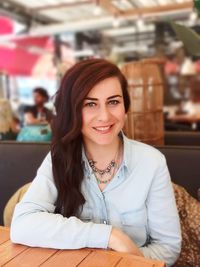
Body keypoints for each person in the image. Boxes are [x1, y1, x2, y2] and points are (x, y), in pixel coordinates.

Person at [10, 59, 181, 266]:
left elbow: (168, 248)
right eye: (90, 104)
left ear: (125, 106)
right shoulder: (59, 157)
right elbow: (22, 224)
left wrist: (123, 260)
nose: (104, 116)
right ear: (73, 110)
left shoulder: (152, 162)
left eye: (113, 102)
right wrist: (111, 236)